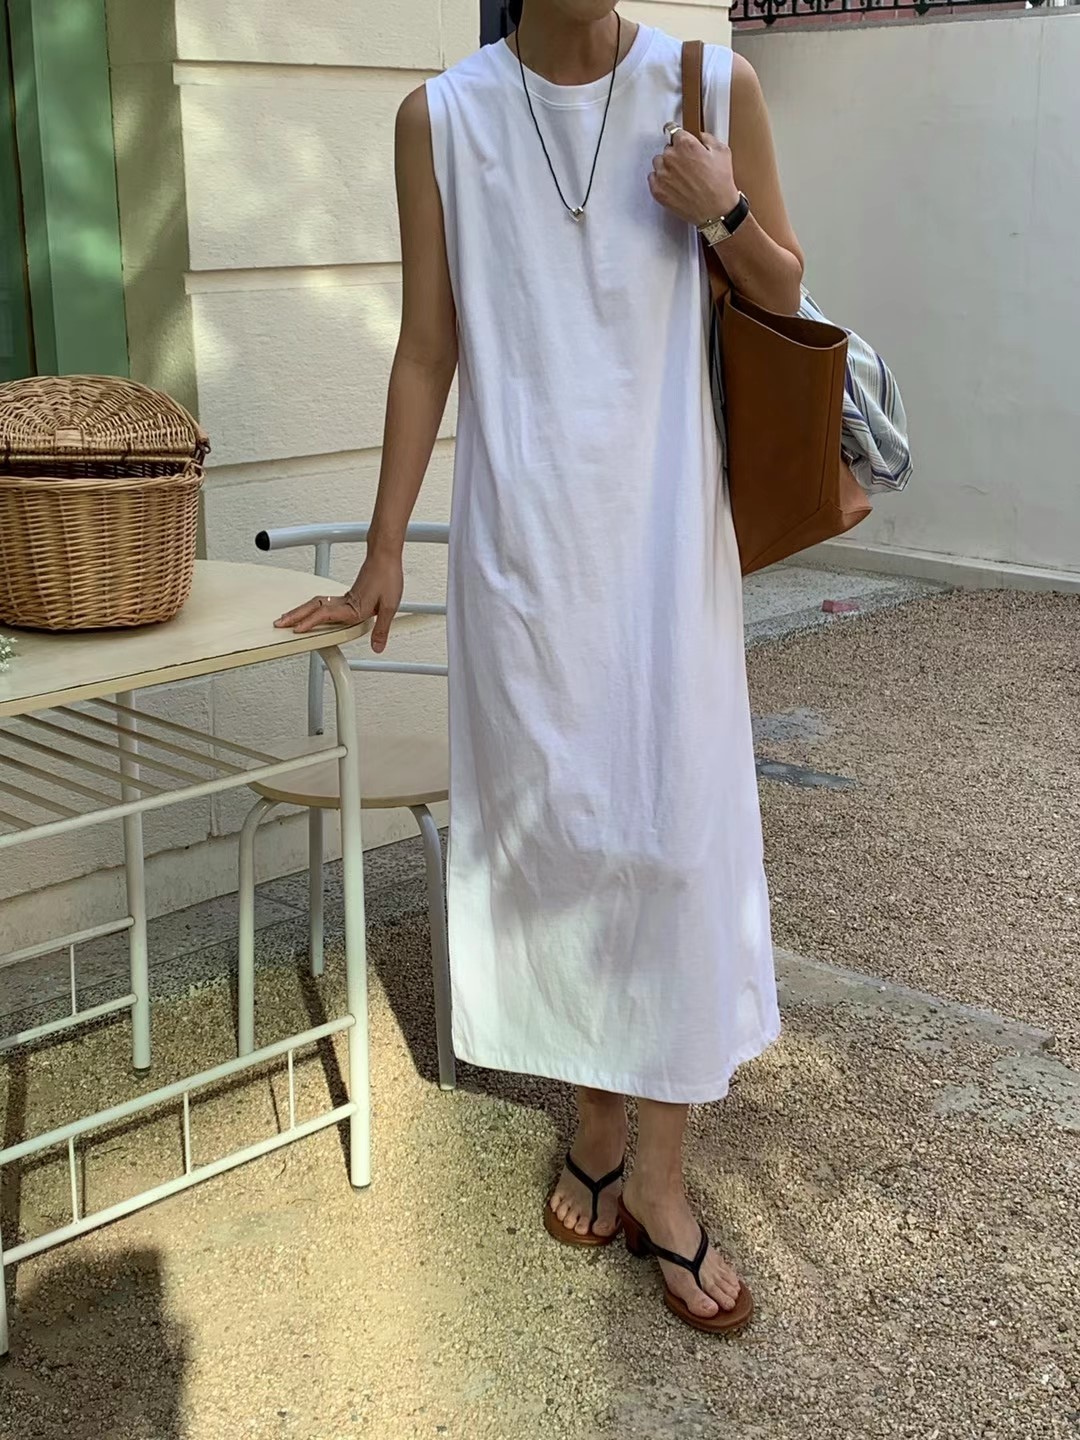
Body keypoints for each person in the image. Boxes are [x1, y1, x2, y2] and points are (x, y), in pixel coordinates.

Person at [277, 0, 804, 1334]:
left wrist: (726, 213)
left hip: (670, 553)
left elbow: (789, 294)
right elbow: (427, 348)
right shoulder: (441, 120)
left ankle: (662, 1184)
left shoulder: (710, 83)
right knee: (565, 841)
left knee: (673, 847)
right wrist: (383, 551)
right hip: (524, 559)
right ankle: (597, 1130)